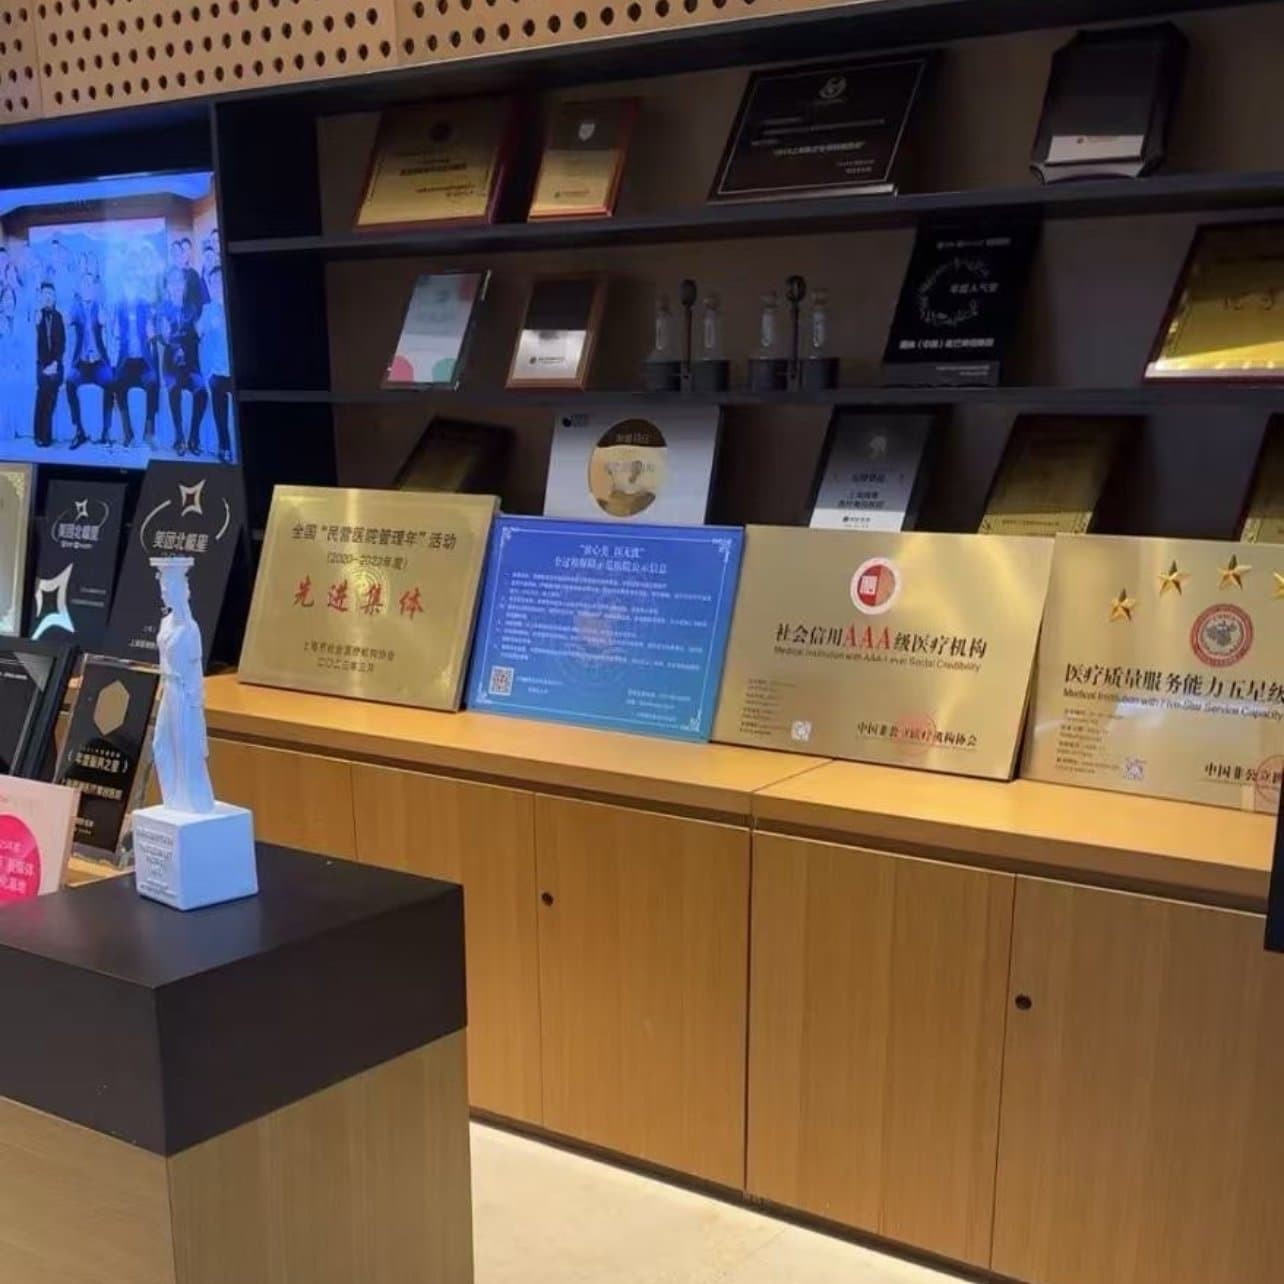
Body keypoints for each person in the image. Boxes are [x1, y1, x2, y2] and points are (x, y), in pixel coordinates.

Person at [150, 556, 215, 815]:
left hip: (184, 692)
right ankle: (173, 797)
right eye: (163, 587)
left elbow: (195, 668)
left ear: (182, 591)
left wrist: (196, 701)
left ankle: (194, 800)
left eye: (169, 587)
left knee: (186, 746)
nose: (164, 592)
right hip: (168, 688)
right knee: (160, 744)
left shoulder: (190, 629)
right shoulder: (165, 622)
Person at [158, 265, 208, 455]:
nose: (177, 285)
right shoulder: (162, 309)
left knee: (201, 392)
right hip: (171, 365)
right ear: (168, 286)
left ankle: (194, 437)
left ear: (184, 284)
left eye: (180, 281)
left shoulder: (191, 308)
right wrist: (165, 334)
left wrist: (199, 331)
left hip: (191, 365)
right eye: (173, 281)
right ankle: (179, 437)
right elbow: (163, 338)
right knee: (174, 389)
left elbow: (197, 335)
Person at [65, 272, 114, 448]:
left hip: (99, 362)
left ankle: (106, 431)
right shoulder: (75, 307)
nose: (87, 288)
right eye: (84, 284)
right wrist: (67, 318)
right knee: (70, 382)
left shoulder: (99, 306)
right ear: (80, 289)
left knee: (110, 381)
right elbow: (67, 320)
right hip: (81, 363)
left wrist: (103, 317)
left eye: (90, 284)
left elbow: (104, 321)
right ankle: (79, 430)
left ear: (94, 289)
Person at [112, 273, 158, 448]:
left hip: (143, 361)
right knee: (118, 382)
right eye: (128, 286)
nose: (131, 289)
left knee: (152, 382)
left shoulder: (144, 307)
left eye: (134, 286)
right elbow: (116, 334)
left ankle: (149, 432)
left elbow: (151, 333)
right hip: (127, 361)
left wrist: (151, 329)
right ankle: (128, 433)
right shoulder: (119, 308)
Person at [199, 265, 233, 463]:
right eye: (213, 283)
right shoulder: (208, 310)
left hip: (236, 371)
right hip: (218, 372)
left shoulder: (234, 305)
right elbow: (198, 331)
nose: (217, 286)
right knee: (219, 405)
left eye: (220, 281)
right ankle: (224, 446)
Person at [32, 281, 64, 448]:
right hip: (41, 364)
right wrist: (45, 366)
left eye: (51, 294)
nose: (48, 297)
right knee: (44, 385)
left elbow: (62, 345)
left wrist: (55, 364)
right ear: (41, 297)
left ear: (55, 297)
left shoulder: (59, 317)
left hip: (57, 364)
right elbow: (37, 346)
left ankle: (43, 435)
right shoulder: (37, 316)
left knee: (50, 386)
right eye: (45, 294)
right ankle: (40, 434)